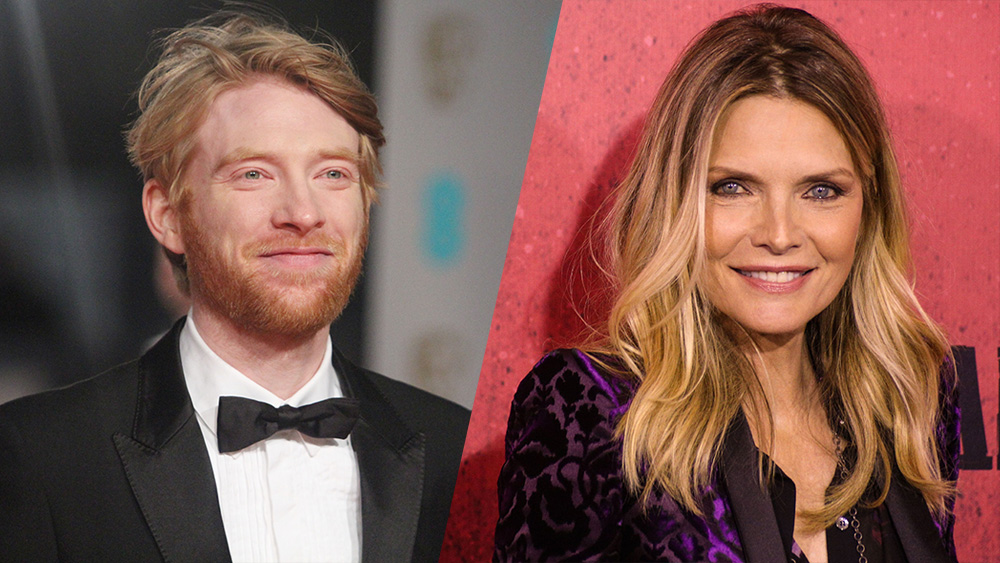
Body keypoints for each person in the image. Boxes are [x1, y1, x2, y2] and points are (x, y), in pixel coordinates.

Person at [494, 5, 958, 563]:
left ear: (869, 206)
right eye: (733, 187)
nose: (779, 235)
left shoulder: (910, 404)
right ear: (675, 202)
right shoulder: (591, 412)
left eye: (821, 191)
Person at [0, 11, 469, 563]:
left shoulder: (458, 452)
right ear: (168, 215)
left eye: (333, 174)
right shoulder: (44, 457)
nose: (303, 213)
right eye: (254, 174)